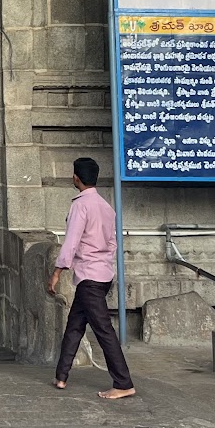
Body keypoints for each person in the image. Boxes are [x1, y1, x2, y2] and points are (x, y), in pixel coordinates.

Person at [49, 158, 135, 400]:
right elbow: (112, 243)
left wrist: (57, 272)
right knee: (75, 325)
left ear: (76, 177)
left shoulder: (81, 205)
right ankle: (61, 376)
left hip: (89, 277)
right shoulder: (106, 207)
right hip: (102, 275)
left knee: (103, 330)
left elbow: (71, 242)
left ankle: (123, 382)